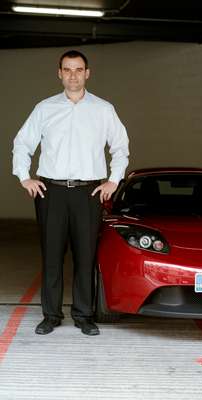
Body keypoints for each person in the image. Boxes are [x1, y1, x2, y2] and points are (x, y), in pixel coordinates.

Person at [12, 50, 129, 336]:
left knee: (85, 256)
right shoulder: (44, 108)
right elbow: (22, 143)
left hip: (88, 194)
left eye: (79, 70)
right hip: (50, 192)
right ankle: (51, 315)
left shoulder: (103, 109)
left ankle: (83, 315)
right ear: (59, 73)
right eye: (68, 69)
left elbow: (120, 147)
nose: (73, 75)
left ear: (87, 73)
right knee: (51, 256)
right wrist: (24, 177)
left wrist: (114, 180)